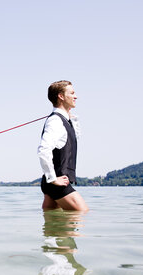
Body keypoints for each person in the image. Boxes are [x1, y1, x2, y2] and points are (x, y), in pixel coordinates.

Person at [38, 80, 88, 212]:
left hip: (53, 184)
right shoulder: (55, 121)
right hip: (57, 184)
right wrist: (53, 179)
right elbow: (43, 150)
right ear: (61, 96)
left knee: (55, 229)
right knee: (82, 214)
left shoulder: (63, 120)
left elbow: (74, 137)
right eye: (72, 93)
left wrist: (71, 118)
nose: (75, 96)